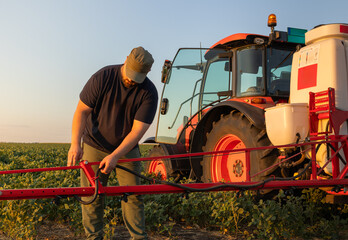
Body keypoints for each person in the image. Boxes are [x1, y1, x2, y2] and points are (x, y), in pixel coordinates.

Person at [67, 46, 158, 240]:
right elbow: (82, 111)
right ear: (125, 60)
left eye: (137, 77)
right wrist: (75, 144)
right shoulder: (103, 77)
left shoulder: (149, 93)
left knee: (133, 195)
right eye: (130, 73)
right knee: (92, 194)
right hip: (94, 144)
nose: (131, 80)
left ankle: (139, 237)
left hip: (126, 149)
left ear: (147, 73)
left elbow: (137, 132)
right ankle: (94, 237)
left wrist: (116, 155)